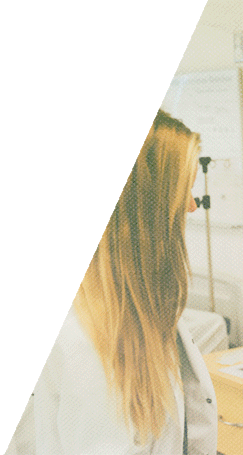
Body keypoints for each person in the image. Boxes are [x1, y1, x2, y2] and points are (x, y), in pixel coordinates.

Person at [27, 110, 218, 454]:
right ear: (147, 208)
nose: (191, 205)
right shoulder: (83, 340)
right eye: (184, 191)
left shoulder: (138, 308)